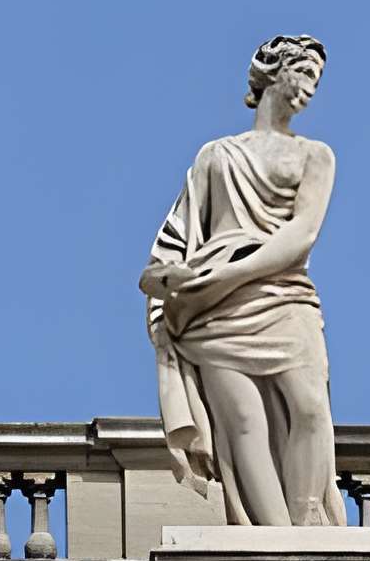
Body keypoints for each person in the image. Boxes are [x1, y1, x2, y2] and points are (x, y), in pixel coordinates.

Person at [141, 33, 338, 527]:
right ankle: (274, 538)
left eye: (318, 79)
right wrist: (174, 281)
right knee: (245, 425)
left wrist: (226, 275)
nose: (312, 89)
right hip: (213, 314)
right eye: (306, 73)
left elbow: (301, 235)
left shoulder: (316, 156)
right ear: (276, 71)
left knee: (312, 409)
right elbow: (182, 233)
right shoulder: (216, 155)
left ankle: (308, 520)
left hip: (281, 295)